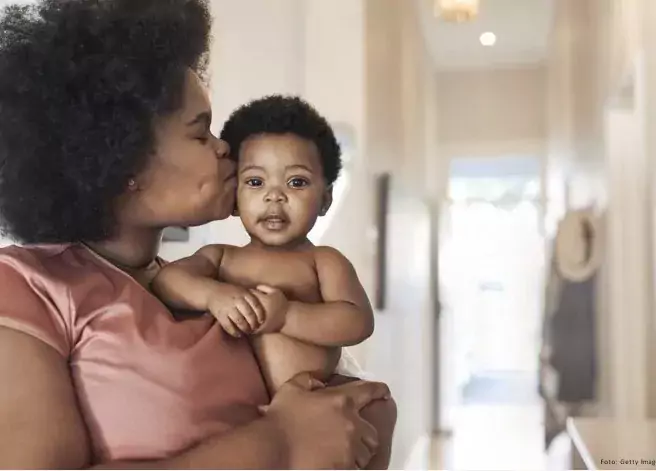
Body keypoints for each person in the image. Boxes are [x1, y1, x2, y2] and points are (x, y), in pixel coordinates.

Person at [0, 0, 396, 469]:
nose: (225, 147)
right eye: (201, 132)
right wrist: (280, 441)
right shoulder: (27, 287)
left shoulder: (216, 283)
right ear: (126, 159)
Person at [151, 95, 395, 469]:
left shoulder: (323, 261)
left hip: (318, 394)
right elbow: (169, 280)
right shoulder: (222, 258)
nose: (274, 195)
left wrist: (287, 317)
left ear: (325, 199)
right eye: (255, 181)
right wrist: (214, 294)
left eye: (297, 182)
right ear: (234, 198)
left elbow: (357, 322)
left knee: (380, 405)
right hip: (242, 411)